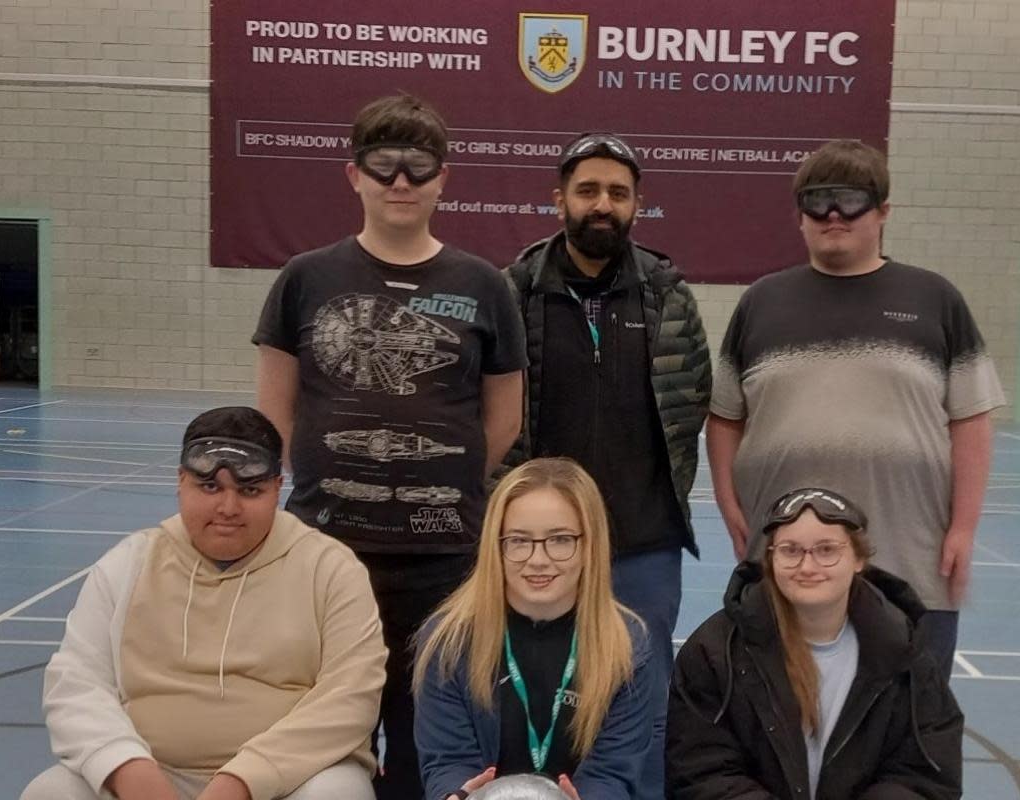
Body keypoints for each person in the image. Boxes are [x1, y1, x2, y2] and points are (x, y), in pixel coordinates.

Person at [253, 94, 527, 798]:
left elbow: (503, 414)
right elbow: (274, 406)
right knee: (325, 746)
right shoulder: (305, 280)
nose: (399, 182)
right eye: (383, 166)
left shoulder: (482, 286)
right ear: (354, 175)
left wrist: (446, 478)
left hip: (444, 564)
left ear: (443, 178)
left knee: (424, 747)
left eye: (417, 166)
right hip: (327, 556)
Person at [706, 139, 1005, 679]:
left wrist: (962, 528)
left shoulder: (935, 299)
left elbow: (971, 421)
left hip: (910, 557)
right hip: (785, 562)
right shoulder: (761, 302)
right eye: (818, 202)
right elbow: (725, 417)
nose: (834, 215)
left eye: (851, 200)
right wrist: (729, 504)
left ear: (883, 210)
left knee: (907, 722)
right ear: (800, 215)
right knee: (780, 719)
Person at [20, 406, 387, 800]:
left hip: (289, 780)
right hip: (152, 776)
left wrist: (242, 781)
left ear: (277, 488)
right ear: (181, 482)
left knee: (337, 794)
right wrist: (128, 770)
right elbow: (76, 682)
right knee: (49, 792)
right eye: (210, 487)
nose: (228, 508)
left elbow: (351, 697)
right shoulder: (129, 563)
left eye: (250, 491)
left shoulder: (330, 569)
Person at [502, 132, 711, 799]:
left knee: (643, 712)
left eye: (618, 193)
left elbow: (693, 399)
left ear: (637, 205)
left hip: (643, 545)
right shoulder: (514, 290)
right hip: (542, 546)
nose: (602, 204)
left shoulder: (667, 292)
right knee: (539, 698)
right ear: (558, 198)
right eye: (588, 189)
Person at [666, 487, 963, 800]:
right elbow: (699, 771)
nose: (807, 567)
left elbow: (925, 776)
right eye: (791, 550)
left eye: (826, 550)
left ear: (858, 558)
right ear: (770, 558)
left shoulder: (904, 652)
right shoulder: (715, 651)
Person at [414, 458, 653, 800]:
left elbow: (613, 773)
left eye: (559, 540)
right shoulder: (448, 640)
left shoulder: (627, 645)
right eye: (519, 541)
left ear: (589, 546)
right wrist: (456, 794)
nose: (538, 559)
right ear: (496, 546)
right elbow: (447, 762)